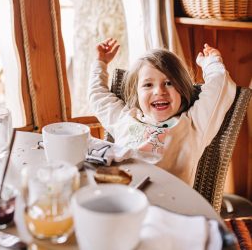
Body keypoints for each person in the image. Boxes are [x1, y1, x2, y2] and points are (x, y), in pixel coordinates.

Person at [88, 38, 236, 186]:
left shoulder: (193, 124)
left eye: (168, 83)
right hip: (121, 195)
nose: (159, 91)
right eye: (148, 84)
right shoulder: (125, 118)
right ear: (136, 93)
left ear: (182, 88)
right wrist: (100, 62)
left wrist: (212, 63)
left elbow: (220, 87)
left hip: (165, 202)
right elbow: (98, 96)